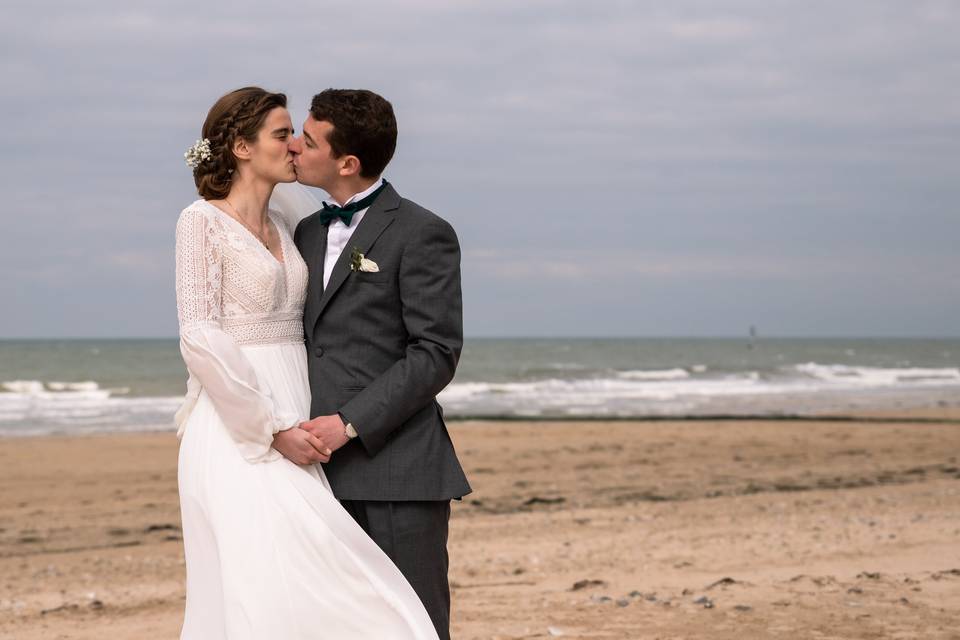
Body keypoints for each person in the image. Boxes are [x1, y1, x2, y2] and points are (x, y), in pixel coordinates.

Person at [174, 86, 438, 639]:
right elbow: (199, 335)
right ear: (242, 148)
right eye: (282, 133)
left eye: (301, 135)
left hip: (310, 417)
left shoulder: (293, 221)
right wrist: (271, 428)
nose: (294, 145)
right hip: (245, 426)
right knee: (267, 587)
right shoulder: (200, 222)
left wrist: (329, 421)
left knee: (336, 588)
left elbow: (418, 347)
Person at [280, 89, 471, 640]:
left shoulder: (422, 232)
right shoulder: (306, 232)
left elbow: (435, 352)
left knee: (412, 623)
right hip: (316, 473)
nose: (295, 145)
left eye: (308, 140)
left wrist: (349, 423)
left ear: (347, 162)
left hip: (398, 471)